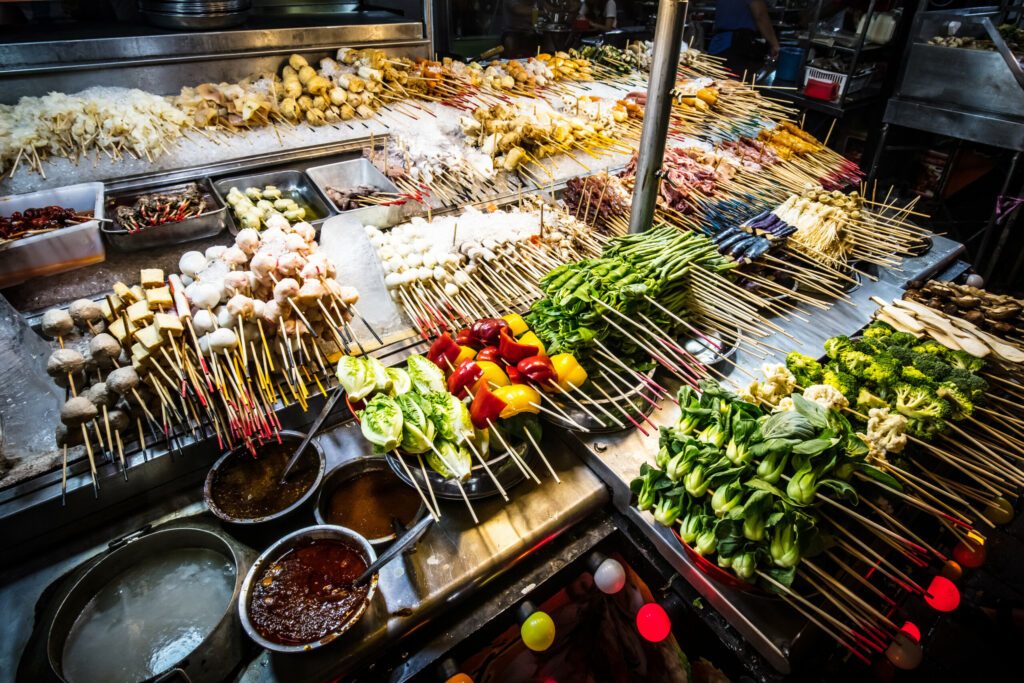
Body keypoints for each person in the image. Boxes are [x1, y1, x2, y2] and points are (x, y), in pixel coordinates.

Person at [709, 0, 780, 77]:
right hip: (737, 46)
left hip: (718, 44)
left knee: (715, 83)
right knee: (735, 85)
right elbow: (760, 15)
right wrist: (774, 45)